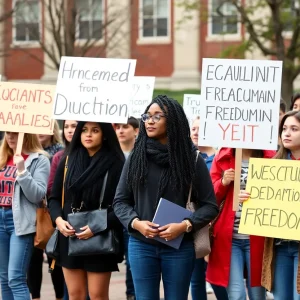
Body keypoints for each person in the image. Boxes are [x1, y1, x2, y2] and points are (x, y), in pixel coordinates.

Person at [113, 95, 219, 300]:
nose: (150, 121)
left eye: (157, 116)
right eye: (147, 116)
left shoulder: (192, 159)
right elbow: (120, 201)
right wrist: (136, 223)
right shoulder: (137, 156)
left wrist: (185, 225)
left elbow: (210, 206)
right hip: (141, 244)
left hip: (179, 246)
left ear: (173, 121)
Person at [49, 121, 124, 300]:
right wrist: (59, 221)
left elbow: (123, 206)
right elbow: (53, 198)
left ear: (104, 134)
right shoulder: (68, 159)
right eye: (84, 130)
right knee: (75, 295)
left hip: (100, 236)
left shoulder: (116, 162)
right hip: (70, 234)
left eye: (95, 130)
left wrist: (98, 226)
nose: (88, 135)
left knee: (98, 295)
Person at [206, 147, 275, 300]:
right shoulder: (222, 157)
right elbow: (210, 199)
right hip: (229, 239)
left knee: (257, 295)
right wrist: (223, 182)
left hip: (259, 238)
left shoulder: (272, 158)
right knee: (236, 295)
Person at [0, 132, 50, 300]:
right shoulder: (2, 157)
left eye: (15, 133)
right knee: (4, 278)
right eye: (8, 133)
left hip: (20, 222)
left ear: (26, 134)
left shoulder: (39, 160)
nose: (10, 137)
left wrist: (22, 171)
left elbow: (37, 195)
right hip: (1, 220)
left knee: (16, 278)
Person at [260, 110, 300, 299]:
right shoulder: (272, 165)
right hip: (280, 246)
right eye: (284, 129)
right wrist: (249, 197)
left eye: (294, 129)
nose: (287, 133)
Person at [189, 117, 228, 300]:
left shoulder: (221, 159)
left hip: (215, 223)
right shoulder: (186, 158)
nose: (195, 132)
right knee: (195, 277)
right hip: (192, 222)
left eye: (200, 128)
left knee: (216, 276)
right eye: (193, 128)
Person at [28, 120, 65, 300]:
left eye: (45, 127)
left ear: (53, 130)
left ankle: (59, 295)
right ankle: (35, 296)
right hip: (32, 214)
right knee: (33, 260)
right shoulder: (27, 153)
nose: (41, 132)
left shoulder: (60, 153)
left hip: (53, 213)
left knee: (54, 259)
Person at [47, 120, 78, 300]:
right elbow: (52, 191)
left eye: (74, 126)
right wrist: (58, 218)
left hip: (91, 228)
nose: (70, 130)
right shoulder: (60, 157)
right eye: (66, 126)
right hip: (66, 225)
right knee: (72, 290)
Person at [114, 116, 139, 300]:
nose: (121, 131)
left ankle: (132, 294)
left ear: (136, 131)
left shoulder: (141, 154)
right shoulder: (111, 156)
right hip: (113, 215)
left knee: (133, 261)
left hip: (134, 215)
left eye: (125, 127)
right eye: (118, 127)